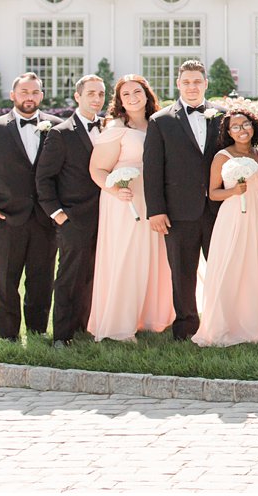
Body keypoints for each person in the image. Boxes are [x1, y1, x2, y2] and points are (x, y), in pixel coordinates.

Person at [0, 72, 59, 342]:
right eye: (24, 92)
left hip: (46, 220)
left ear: (41, 96)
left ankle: (37, 331)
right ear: (13, 95)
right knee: (5, 281)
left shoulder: (57, 127)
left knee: (41, 280)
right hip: (6, 220)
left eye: (34, 92)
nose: (29, 98)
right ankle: (8, 334)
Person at [141, 60, 223, 341]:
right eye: (186, 82)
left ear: (205, 84)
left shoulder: (222, 116)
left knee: (223, 268)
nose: (192, 87)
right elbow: (152, 170)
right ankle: (186, 327)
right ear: (178, 84)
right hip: (178, 212)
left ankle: (222, 323)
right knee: (182, 273)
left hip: (218, 209)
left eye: (197, 82)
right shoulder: (161, 121)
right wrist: (156, 210)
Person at [89, 75, 174, 340]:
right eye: (126, 94)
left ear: (147, 94)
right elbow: (97, 169)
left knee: (156, 256)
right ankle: (119, 324)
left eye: (137, 91)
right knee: (128, 257)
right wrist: (115, 189)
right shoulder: (116, 127)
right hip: (125, 200)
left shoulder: (159, 123)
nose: (132, 97)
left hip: (156, 198)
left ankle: (152, 317)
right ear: (120, 101)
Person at [195, 108, 258, 347]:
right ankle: (229, 325)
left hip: (257, 215)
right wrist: (233, 191)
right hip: (233, 216)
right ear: (228, 132)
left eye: (245, 124)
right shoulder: (222, 156)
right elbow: (212, 193)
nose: (241, 130)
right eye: (235, 126)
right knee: (233, 267)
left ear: (253, 126)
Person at [34, 73, 107, 348]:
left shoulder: (108, 129)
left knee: (93, 275)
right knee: (69, 277)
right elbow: (44, 179)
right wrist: (58, 214)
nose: (97, 99)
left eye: (101, 94)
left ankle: (84, 327)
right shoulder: (61, 133)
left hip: (106, 217)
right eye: (91, 93)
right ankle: (62, 335)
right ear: (77, 96)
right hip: (73, 219)